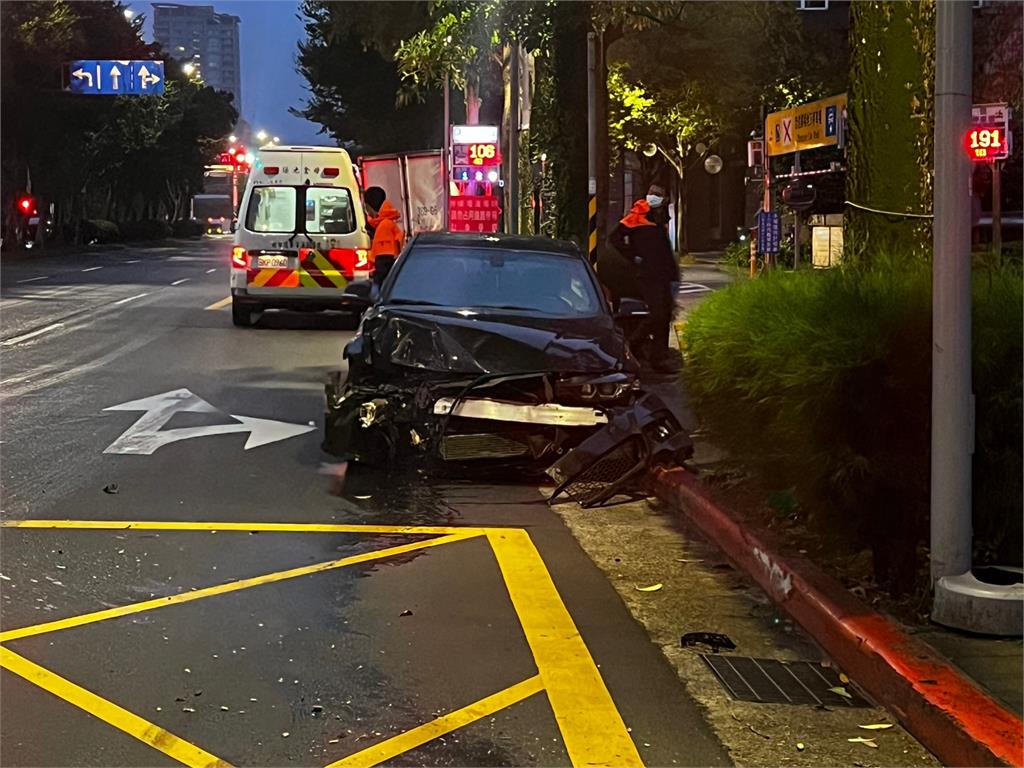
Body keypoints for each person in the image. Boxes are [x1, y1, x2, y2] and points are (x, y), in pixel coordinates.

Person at [607, 193, 680, 373]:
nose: (664, 214)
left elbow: (664, 252)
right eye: (661, 210)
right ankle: (632, 346)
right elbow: (614, 238)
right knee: (657, 314)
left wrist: (672, 273)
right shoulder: (636, 221)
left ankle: (660, 358)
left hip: (662, 275)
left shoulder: (656, 224)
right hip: (648, 276)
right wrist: (633, 255)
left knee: (665, 316)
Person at [364, 187, 405, 285]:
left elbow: (384, 260)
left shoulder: (384, 227)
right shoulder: (387, 224)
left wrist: (377, 282)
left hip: (386, 280)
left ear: (369, 206)